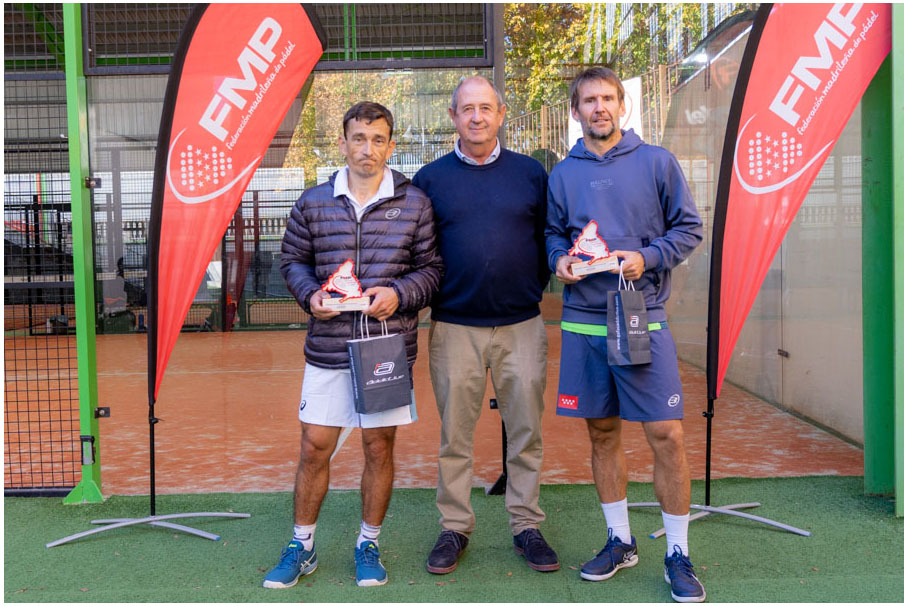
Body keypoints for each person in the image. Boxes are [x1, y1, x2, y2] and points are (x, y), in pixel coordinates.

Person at [263, 101, 443, 590]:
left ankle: (369, 543)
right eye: (359, 138)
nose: (368, 148)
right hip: (328, 347)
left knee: (378, 446)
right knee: (314, 446)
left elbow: (432, 270)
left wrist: (399, 294)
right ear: (342, 143)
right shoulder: (314, 202)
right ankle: (302, 545)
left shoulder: (416, 203)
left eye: (378, 139)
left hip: (386, 348)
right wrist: (311, 295)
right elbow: (293, 262)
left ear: (391, 145)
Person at [545, 67, 705, 603]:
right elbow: (553, 234)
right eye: (589, 100)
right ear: (575, 111)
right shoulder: (563, 173)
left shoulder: (657, 162)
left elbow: (688, 229)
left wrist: (648, 257)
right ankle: (620, 541)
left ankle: (678, 553)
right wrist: (559, 259)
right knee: (602, 434)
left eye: (608, 98)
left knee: (667, 435)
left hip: (641, 317)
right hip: (583, 323)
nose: (599, 108)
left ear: (622, 105)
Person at [412, 76, 557, 574]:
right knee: (455, 436)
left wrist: (526, 286)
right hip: (454, 327)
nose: (477, 117)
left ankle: (526, 525)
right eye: (467, 109)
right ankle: (454, 527)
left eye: (485, 108)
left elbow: (548, 239)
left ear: (500, 114)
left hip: (521, 325)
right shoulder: (430, 179)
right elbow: (420, 250)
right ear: (453, 116)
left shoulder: (530, 174)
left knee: (526, 432)